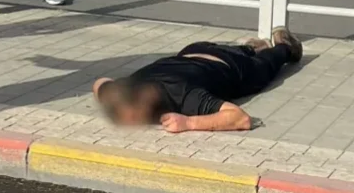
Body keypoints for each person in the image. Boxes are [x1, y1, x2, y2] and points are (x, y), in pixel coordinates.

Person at [93, 28, 303, 133]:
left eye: (131, 116)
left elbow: (241, 119)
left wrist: (189, 123)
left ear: (144, 100)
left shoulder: (185, 96)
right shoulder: (128, 86)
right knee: (236, 52)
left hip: (234, 67)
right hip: (193, 50)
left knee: (264, 69)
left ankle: (284, 46)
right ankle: (250, 47)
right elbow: (100, 83)